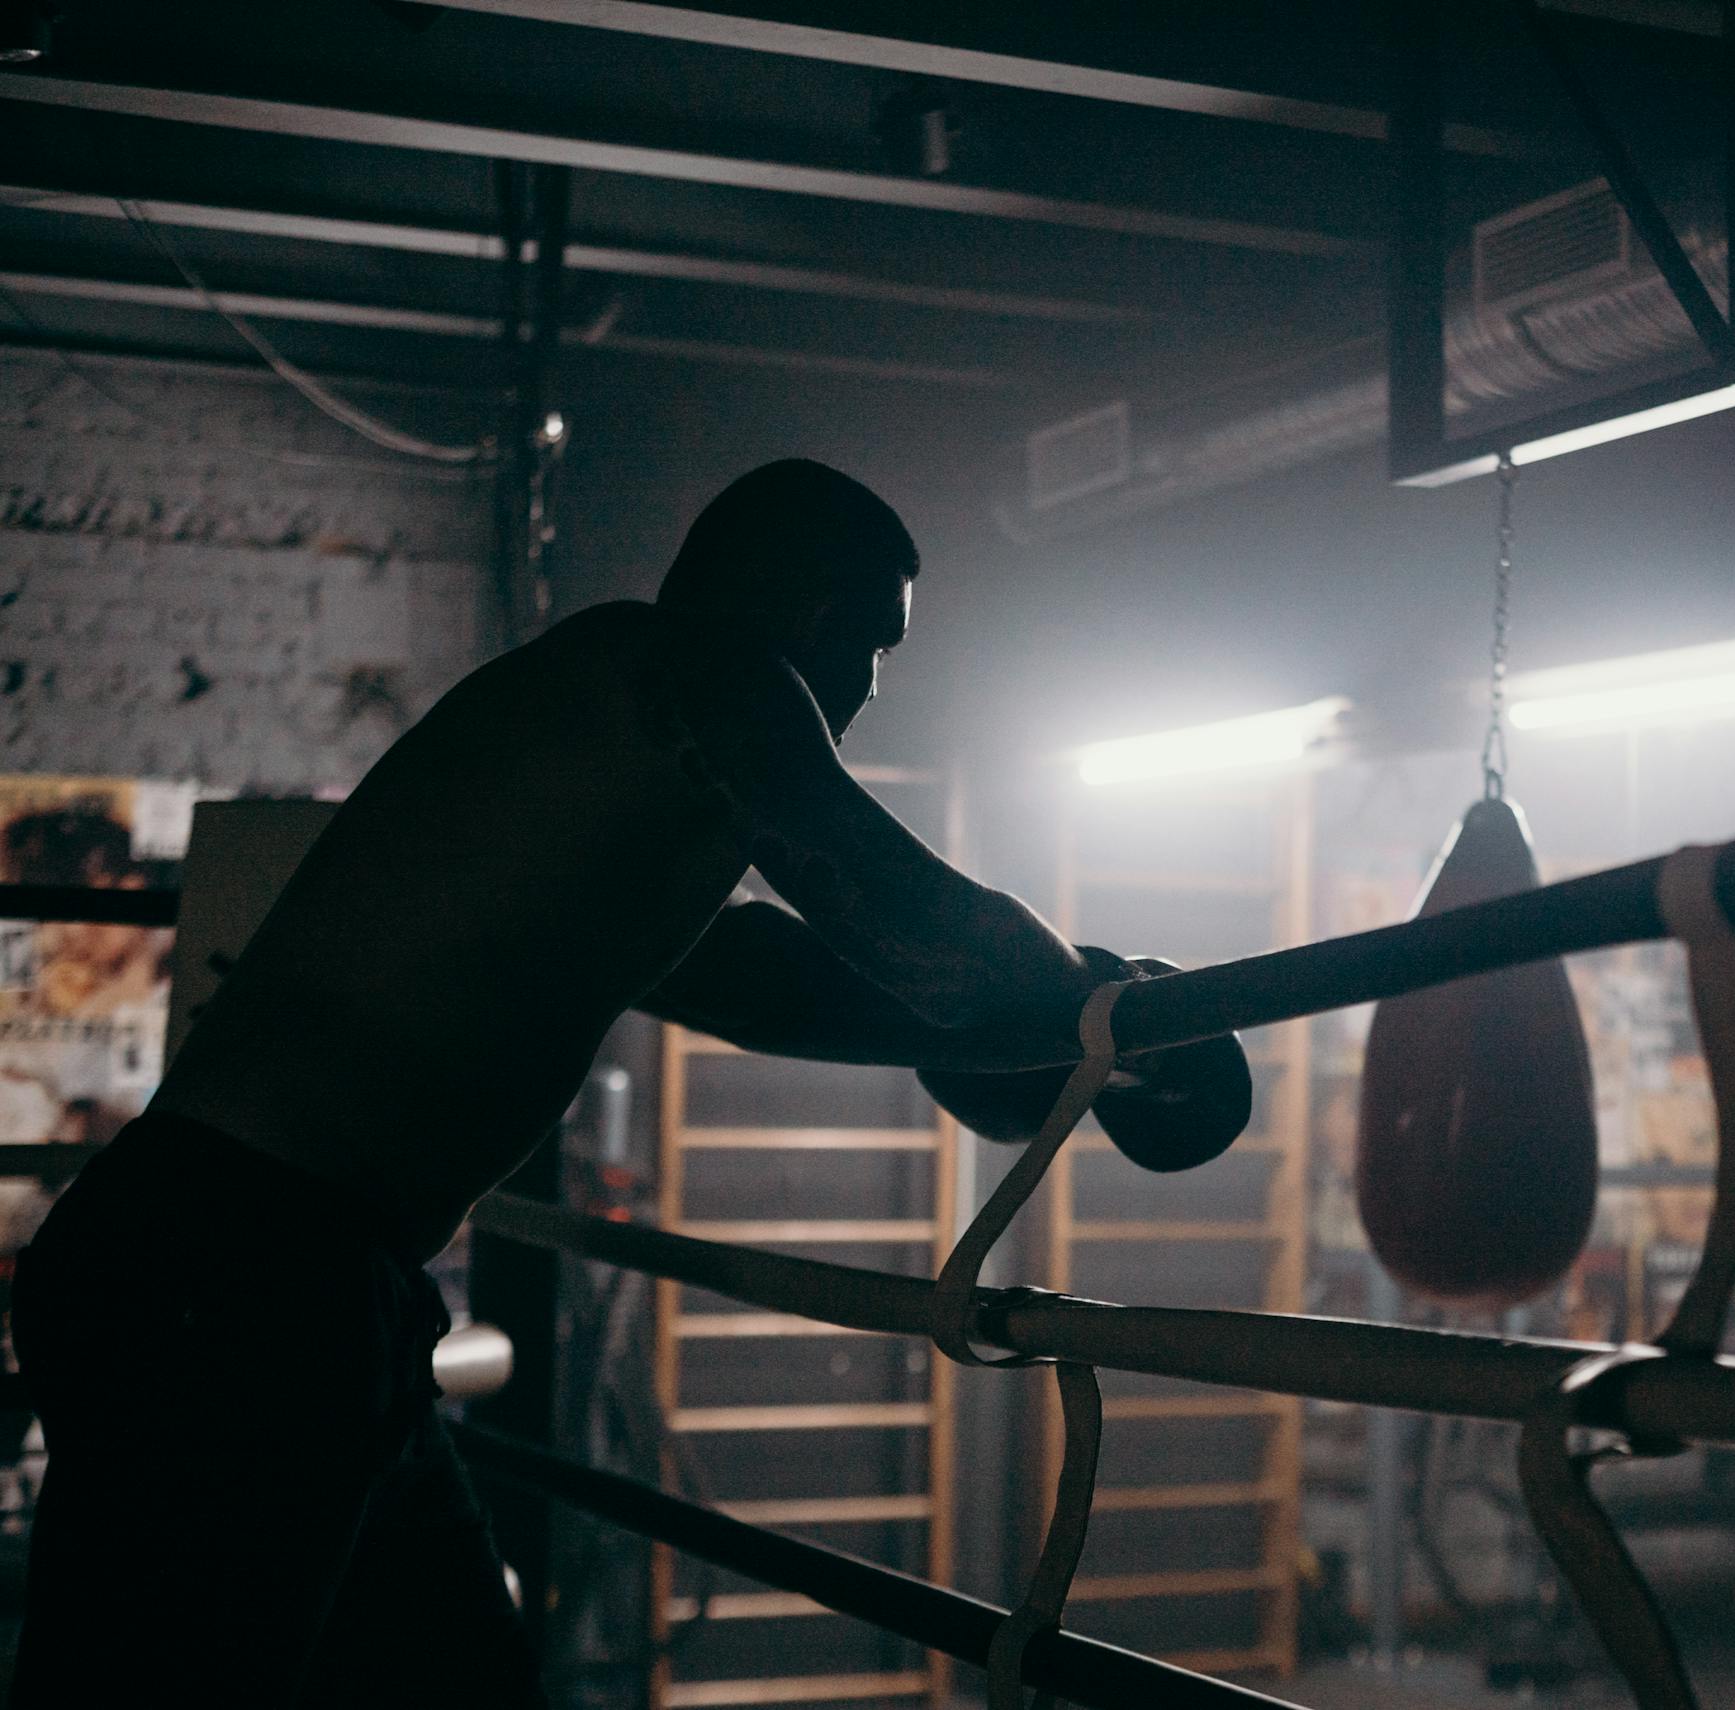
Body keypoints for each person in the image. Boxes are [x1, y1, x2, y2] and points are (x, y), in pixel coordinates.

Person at [5, 459, 1248, 1707]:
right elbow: (918, 922)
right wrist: (1110, 1005)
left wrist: (1047, 1035)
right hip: (239, 1281)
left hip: (291, 1283)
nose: (871, 685)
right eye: (875, 641)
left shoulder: (606, 744)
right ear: (816, 614)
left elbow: (760, 981)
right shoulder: (702, 678)